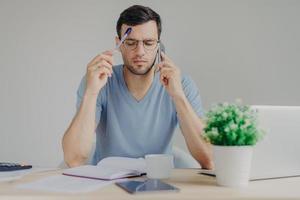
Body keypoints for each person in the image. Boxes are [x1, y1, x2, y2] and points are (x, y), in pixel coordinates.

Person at [62, 5, 213, 169]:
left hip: (159, 181)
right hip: (107, 184)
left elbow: (208, 159)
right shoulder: (98, 81)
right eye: (131, 42)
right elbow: (73, 159)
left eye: (148, 43)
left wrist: (178, 96)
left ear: (158, 46)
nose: (140, 51)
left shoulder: (182, 84)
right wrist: (91, 93)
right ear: (119, 44)